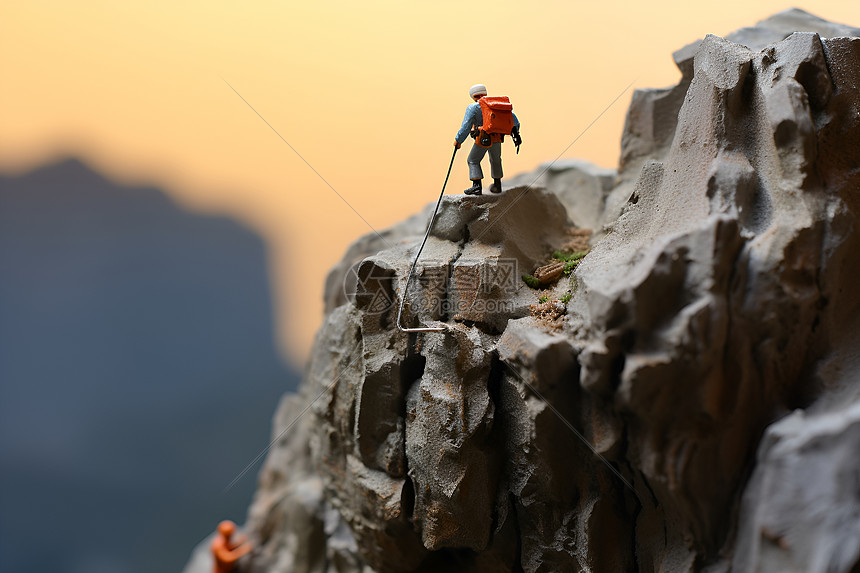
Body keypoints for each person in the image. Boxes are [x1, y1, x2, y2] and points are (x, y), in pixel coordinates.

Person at [454, 84, 521, 195]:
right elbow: (515, 122)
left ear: (473, 96)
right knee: (496, 159)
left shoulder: (473, 108)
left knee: (473, 160)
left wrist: (458, 140)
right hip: (498, 138)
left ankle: (476, 186)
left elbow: (465, 127)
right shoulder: (497, 105)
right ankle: (497, 185)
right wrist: (516, 133)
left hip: (483, 137)